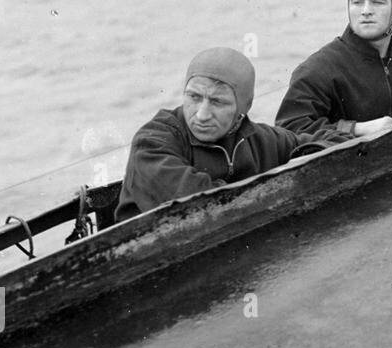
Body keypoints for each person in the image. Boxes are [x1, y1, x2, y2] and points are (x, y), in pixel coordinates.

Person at [115, 47, 329, 221]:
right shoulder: (152, 141)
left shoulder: (261, 139)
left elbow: (330, 144)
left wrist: (308, 160)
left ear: (242, 109)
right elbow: (199, 205)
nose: (202, 114)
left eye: (217, 101)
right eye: (194, 97)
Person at [277, 0, 392, 140]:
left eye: (377, 1)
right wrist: (357, 129)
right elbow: (290, 131)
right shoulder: (318, 69)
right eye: (357, 2)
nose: (366, 10)